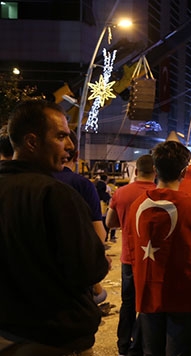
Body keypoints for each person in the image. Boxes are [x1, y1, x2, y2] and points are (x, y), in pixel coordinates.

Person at [0, 99, 109, 354]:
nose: (69, 146)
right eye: (61, 136)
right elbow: (89, 269)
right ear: (32, 142)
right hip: (52, 340)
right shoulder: (55, 194)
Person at [124, 140, 191, 355]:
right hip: (184, 292)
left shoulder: (137, 204)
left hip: (148, 288)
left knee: (151, 349)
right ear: (184, 171)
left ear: (155, 169)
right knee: (179, 350)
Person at [105, 153, 156, 356]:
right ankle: (140, 345)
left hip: (129, 257)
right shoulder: (159, 193)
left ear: (136, 171)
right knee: (148, 303)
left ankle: (123, 345)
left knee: (128, 302)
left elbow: (109, 223)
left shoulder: (122, 193)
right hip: (152, 258)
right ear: (155, 172)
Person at [53, 133, 110, 305]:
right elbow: (99, 236)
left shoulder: (25, 183)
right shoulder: (82, 184)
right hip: (73, 279)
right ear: (76, 155)